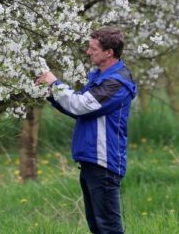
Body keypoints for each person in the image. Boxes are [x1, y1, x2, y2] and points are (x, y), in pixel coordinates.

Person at [36, 27, 137, 234]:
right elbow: (81, 111)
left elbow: (81, 105)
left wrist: (54, 83)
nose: (88, 52)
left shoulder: (115, 83)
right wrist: (50, 92)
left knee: (108, 228)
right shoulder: (100, 77)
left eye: (93, 48)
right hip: (92, 160)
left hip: (104, 161)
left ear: (109, 52)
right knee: (97, 227)